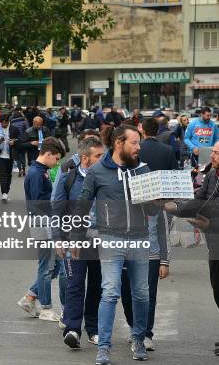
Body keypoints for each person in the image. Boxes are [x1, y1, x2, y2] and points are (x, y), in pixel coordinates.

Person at [74, 124, 155, 364]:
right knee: (110, 291)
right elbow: (82, 205)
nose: (139, 147)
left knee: (141, 293)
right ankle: (104, 347)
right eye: (134, 143)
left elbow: (152, 210)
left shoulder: (143, 169)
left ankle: (138, 337)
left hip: (140, 239)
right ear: (119, 143)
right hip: (110, 238)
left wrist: (159, 200)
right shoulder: (98, 171)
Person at [120, 118, 176, 352]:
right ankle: (135, 327)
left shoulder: (153, 193)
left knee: (148, 294)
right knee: (125, 292)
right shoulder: (121, 191)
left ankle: (145, 333)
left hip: (150, 251)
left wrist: (164, 259)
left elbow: (161, 225)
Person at [164, 140, 219, 357]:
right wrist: (174, 207)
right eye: (213, 151)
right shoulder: (212, 175)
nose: (212, 156)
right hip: (214, 246)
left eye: (216, 153)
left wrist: (211, 224)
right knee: (218, 292)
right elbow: (199, 200)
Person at [53, 136, 105, 349]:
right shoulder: (68, 178)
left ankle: (93, 329)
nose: (103, 159)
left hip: (100, 242)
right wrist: (57, 239)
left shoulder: (106, 178)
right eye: (98, 156)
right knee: (74, 285)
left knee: (96, 286)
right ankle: (73, 329)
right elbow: (56, 209)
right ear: (85, 158)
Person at [17, 138, 66, 322]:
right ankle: (46, 308)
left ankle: (30, 297)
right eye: (56, 158)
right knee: (47, 267)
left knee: (55, 266)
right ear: (47, 154)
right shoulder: (37, 174)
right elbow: (39, 202)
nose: (57, 163)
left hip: (43, 221)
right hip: (42, 222)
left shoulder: (40, 171)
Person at [0, 114, 18, 202]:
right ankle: (4, 193)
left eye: (5, 123)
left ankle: (6, 191)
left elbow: (19, 140)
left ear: (9, 122)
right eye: (2, 123)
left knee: (8, 174)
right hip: (1, 155)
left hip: (10, 155)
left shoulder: (14, 129)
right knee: (3, 174)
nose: (4, 125)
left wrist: (14, 143)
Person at [11, 111, 29, 177]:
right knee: (23, 156)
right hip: (23, 141)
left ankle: (19, 169)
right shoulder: (24, 122)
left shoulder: (12, 123)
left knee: (17, 157)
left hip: (15, 141)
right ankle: (24, 169)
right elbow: (28, 130)